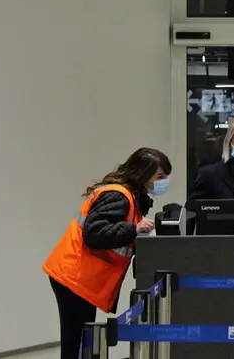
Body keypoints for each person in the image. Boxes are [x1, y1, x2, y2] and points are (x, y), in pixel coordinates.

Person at [43, 147, 172, 359]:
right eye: (160, 176)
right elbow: (94, 233)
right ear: (143, 173)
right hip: (74, 278)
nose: (164, 181)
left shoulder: (130, 197)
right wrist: (134, 229)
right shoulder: (119, 196)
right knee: (74, 344)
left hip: (82, 279)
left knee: (83, 340)